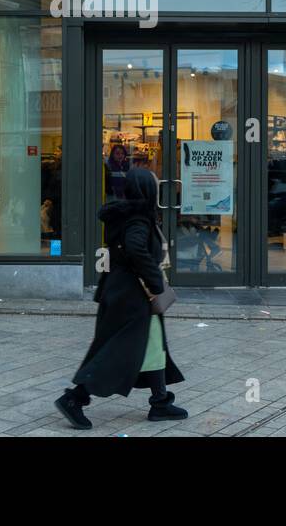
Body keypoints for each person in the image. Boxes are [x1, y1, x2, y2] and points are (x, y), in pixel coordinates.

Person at [54, 167, 186, 430]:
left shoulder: (127, 215)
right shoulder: (137, 219)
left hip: (123, 292)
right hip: (129, 295)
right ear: (146, 190)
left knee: (153, 345)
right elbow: (136, 249)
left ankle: (160, 401)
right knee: (116, 352)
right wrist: (155, 280)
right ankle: (75, 398)